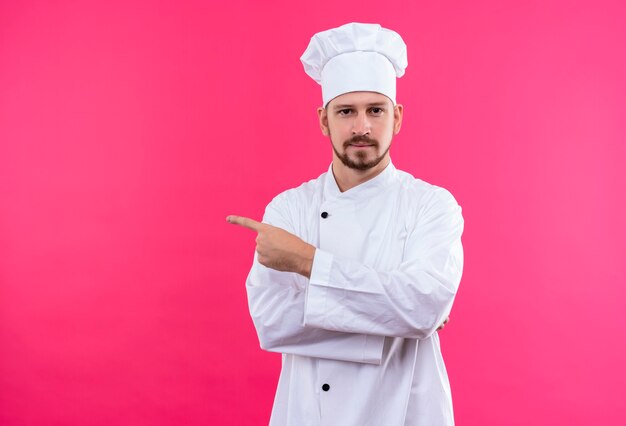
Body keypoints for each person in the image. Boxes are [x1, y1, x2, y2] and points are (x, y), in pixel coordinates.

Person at [227, 22, 464, 426]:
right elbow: (272, 322)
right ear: (323, 120)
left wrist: (306, 262)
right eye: (346, 111)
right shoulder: (288, 209)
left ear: (398, 117)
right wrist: (397, 319)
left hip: (407, 412)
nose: (361, 127)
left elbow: (423, 305)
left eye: (376, 110)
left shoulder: (432, 205)